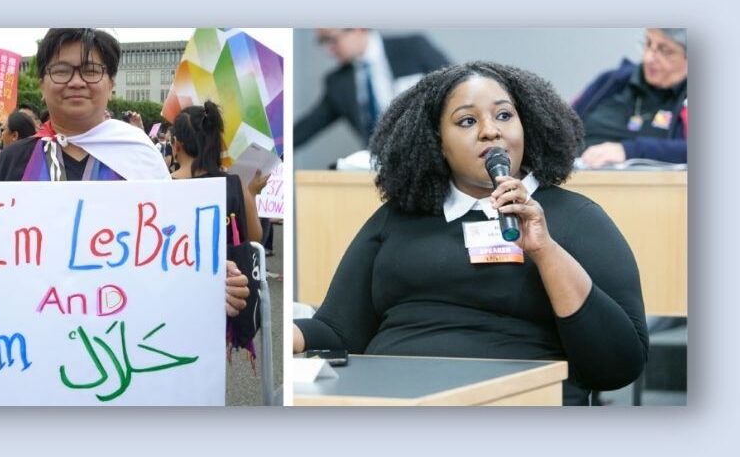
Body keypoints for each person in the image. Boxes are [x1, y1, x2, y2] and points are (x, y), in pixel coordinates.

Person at [292, 62, 649, 405]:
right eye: (466, 121)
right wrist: (284, 332)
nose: (490, 131)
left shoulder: (577, 218)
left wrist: (545, 251)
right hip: (393, 403)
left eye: (504, 115)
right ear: (436, 141)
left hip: (518, 406)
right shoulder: (396, 219)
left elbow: (617, 365)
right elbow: (339, 331)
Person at [0, 28, 248, 318]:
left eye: (91, 70)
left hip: (125, 333)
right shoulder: (12, 161)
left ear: (111, 84)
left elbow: (178, 255)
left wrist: (216, 282)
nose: (76, 81)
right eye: (61, 71)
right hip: (36, 331)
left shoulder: (142, 157)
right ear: (42, 85)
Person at [294, 28, 451, 150]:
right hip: (383, 172)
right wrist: (273, 150)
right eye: (323, 42)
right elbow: (307, 127)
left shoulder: (413, 49)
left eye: (331, 40)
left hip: (435, 160)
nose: (329, 50)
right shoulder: (338, 84)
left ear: (358, 29)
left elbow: (458, 88)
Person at [576, 28, 688, 167]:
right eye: (648, 43)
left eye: (664, 51)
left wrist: (628, 150)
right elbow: (564, 125)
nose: (648, 58)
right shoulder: (611, 80)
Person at [170, 100, 264, 243]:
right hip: (228, 265)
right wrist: (251, 193)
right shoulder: (235, 185)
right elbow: (254, 237)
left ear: (176, 144)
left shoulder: (162, 185)